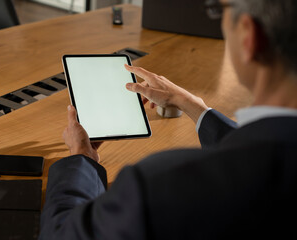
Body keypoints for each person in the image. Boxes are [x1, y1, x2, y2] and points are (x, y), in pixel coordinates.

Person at [39, 0, 297, 239]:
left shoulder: (163, 184)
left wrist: (81, 158)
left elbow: (61, 233)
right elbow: (263, 147)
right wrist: (192, 105)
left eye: (218, 10)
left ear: (248, 36)